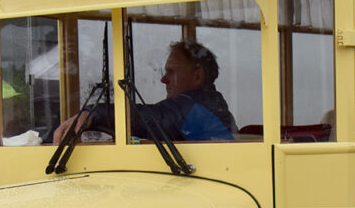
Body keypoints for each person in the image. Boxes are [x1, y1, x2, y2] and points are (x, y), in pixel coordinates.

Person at [52, 41, 237, 144]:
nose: (163, 79)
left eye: (171, 72)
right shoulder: (208, 103)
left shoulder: (198, 107)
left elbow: (156, 119)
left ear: (197, 77)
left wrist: (94, 114)